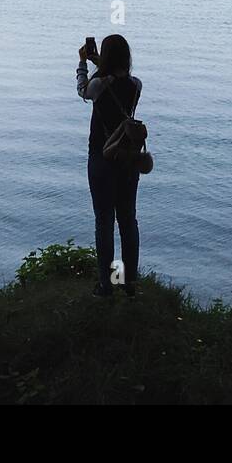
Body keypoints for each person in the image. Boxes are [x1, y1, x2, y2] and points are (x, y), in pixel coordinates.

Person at [76, 33, 142, 297]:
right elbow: (116, 80)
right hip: (127, 159)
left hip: (101, 157)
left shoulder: (99, 84)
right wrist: (100, 63)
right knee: (127, 221)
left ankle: (106, 285)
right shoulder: (137, 85)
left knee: (104, 221)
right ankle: (128, 283)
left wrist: (83, 63)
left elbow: (83, 90)